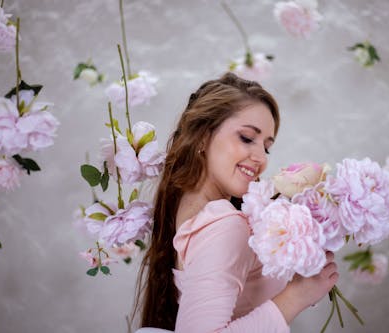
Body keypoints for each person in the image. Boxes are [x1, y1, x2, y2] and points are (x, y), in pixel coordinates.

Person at [131, 73, 339, 332]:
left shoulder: (185, 206)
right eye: (247, 138)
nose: (261, 157)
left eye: (267, 147)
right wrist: (296, 296)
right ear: (204, 137)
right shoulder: (226, 224)